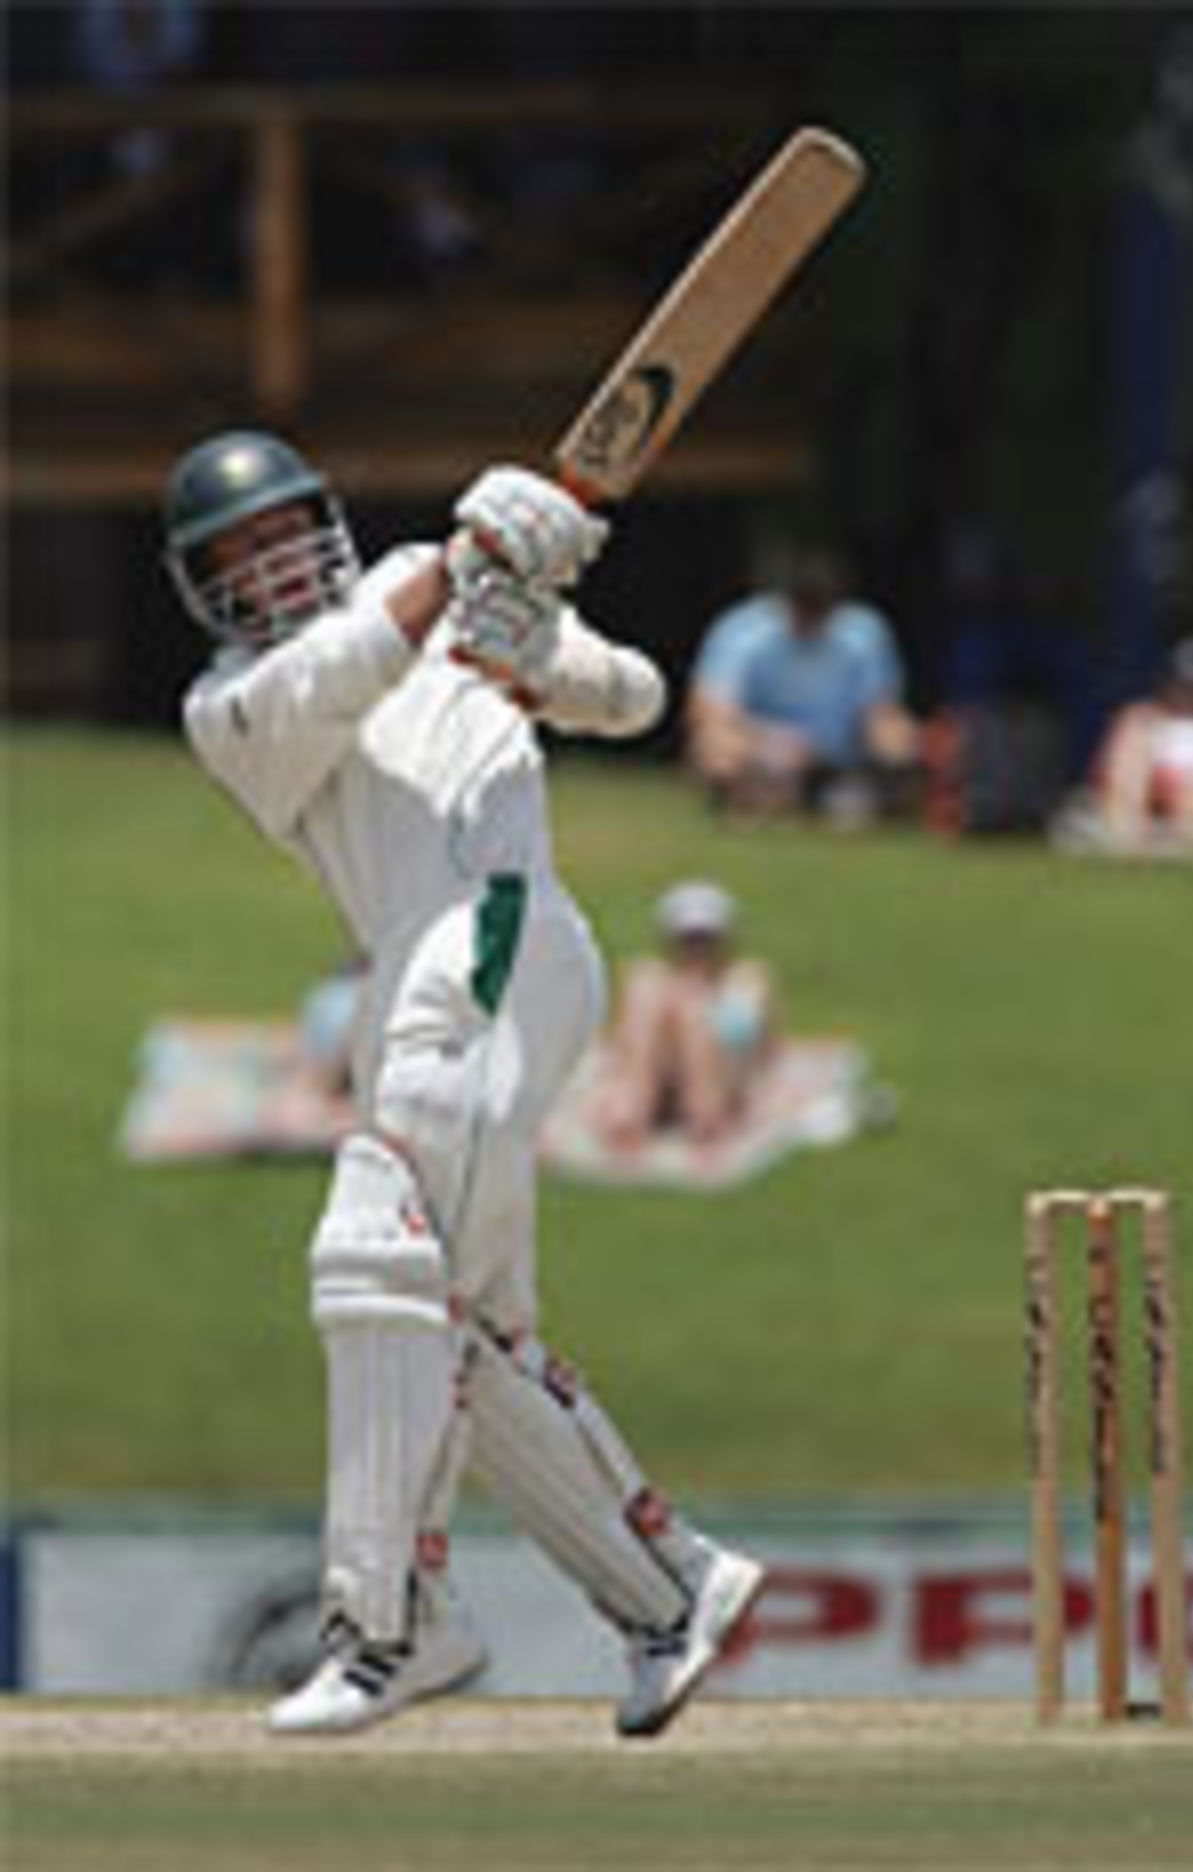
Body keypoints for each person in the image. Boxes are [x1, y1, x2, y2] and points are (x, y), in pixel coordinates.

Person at [163, 430, 764, 1738]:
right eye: (236, 553)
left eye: (281, 530)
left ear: (323, 520)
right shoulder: (233, 705)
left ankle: (389, 1628)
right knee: (454, 1327)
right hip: (414, 977)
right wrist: (459, 562)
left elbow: (641, 697)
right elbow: (348, 667)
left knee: (374, 1251)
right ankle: (673, 1588)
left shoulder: (429, 598)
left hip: (497, 931)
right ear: (205, 587)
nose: (267, 563)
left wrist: (541, 654)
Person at [684, 546, 921, 822]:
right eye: (803, 607)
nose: (810, 619)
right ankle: (757, 798)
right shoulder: (743, 629)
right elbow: (708, 708)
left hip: (838, 753)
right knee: (717, 741)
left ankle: (870, 800)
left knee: (898, 737)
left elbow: (881, 709)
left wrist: (894, 745)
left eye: (820, 609)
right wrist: (774, 742)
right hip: (761, 746)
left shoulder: (864, 632)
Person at [595, 881, 775, 1150]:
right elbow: (621, 1044)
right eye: (688, 940)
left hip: (720, 1082)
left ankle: (702, 1118)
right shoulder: (653, 981)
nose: (697, 949)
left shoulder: (745, 981)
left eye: (706, 940)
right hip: (656, 1079)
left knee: (691, 1005)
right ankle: (633, 1109)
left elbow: (763, 1052)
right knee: (647, 982)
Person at [1085, 636, 1193, 855]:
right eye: (1184, 685)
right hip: (1153, 818)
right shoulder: (1144, 720)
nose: (1191, 694)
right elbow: (1123, 783)